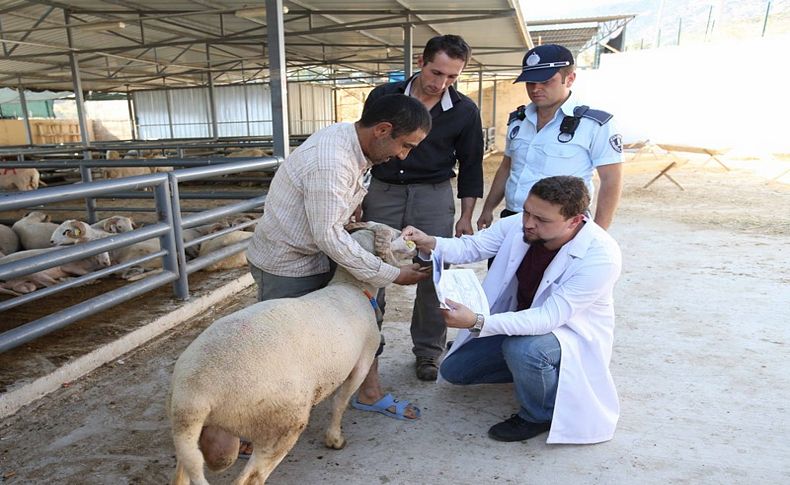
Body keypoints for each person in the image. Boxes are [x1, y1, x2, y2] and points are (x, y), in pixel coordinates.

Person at [209, 94, 432, 461]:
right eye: (405, 146)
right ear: (383, 130)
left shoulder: (358, 146)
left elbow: (332, 224)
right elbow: (327, 235)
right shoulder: (332, 160)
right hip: (288, 263)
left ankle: (368, 392)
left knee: (359, 323)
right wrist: (391, 273)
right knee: (279, 347)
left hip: (319, 254)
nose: (405, 155)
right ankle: (246, 425)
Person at [404, 175, 622, 444]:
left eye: (541, 220)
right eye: (527, 212)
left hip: (564, 334)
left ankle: (538, 414)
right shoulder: (520, 225)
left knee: (524, 351)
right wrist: (431, 242)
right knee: (456, 371)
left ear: (575, 220)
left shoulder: (600, 255)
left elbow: (547, 318)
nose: (528, 223)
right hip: (521, 323)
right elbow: (472, 246)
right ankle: (534, 373)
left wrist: (477, 322)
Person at [361, 34, 484, 381]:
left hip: (433, 195)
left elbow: (471, 164)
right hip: (382, 191)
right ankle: (367, 346)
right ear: (420, 62)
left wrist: (465, 216)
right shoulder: (384, 97)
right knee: (371, 267)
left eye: (451, 77)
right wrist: (357, 200)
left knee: (433, 274)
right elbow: (366, 144)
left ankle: (429, 352)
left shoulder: (464, 111)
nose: (440, 83)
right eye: (436, 72)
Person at [477, 44, 623, 232]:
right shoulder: (518, 121)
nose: (536, 88)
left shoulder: (595, 124)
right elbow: (507, 168)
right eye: (530, 82)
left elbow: (611, 180)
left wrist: (598, 233)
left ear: (570, 79)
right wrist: (488, 208)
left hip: (560, 226)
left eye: (545, 81)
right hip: (513, 219)